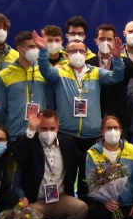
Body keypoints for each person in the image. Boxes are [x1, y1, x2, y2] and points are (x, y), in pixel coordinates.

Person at [35, 29, 125, 200]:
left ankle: (87, 214)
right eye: (73, 51)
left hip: (91, 135)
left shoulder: (96, 72)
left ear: (86, 53)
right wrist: (43, 51)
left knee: (89, 177)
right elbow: (45, 71)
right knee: (66, 174)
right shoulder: (59, 71)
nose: (78, 54)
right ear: (66, 54)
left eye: (81, 51)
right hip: (67, 134)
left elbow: (116, 78)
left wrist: (118, 59)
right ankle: (64, 215)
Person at [13, 109, 88, 219]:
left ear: (58, 127)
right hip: (36, 201)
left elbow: (83, 160)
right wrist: (30, 130)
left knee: (82, 208)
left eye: (52, 128)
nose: (48, 132)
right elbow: (18, 156)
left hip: (60, 198)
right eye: (44, 128)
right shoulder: (30, 142)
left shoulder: (67, 142)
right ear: (38, 128)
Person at [84, 115, 133, 219]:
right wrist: (104, 199)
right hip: (103, 203)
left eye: (115, 128)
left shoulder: (131, 149)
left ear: (121, 130)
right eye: (108, 128)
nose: (112, 131)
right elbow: (91, 182)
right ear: (102, 132)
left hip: (126, 202)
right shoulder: (92, 153)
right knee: (97, 213)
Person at [89, 23, 133, 133]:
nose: (105, 42)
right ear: (96, 41)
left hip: (120, 117)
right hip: (94, 117)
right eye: (102, 39)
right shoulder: (88, 63)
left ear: (114, 41)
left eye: (109, 39)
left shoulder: (124, 61)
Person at [0, 32, 49, 139]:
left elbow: (50, 103)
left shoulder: (44, 72)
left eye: (37, 46)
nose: (35, 49)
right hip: (14, 134)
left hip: (40, 134)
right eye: (31, 46)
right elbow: (1, 110)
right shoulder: (4, 75)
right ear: (20, 48)